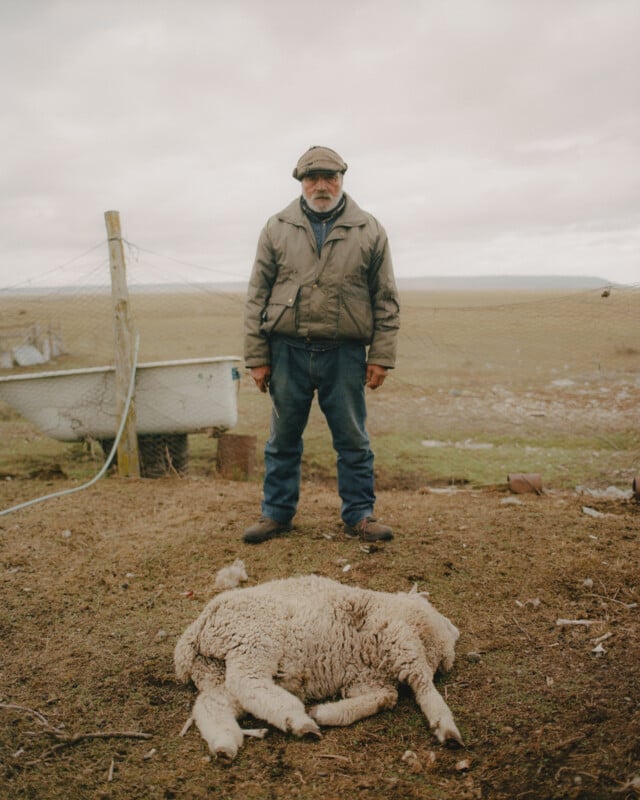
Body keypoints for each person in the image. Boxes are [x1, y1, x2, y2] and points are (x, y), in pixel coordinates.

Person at [243, 145, 400, 544]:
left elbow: (385, 299)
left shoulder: (369, 229)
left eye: (330, 176)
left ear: (342, 179)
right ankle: (276, 515)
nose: (321, 185)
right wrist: (257, 357)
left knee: (353, 441)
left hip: (344, 354)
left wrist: (380, 357)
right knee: (282, 440)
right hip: (286, 352)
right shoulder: (277, 227)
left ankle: (359, 516)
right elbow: (256, 296)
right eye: (312, 178)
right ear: (300, 182)